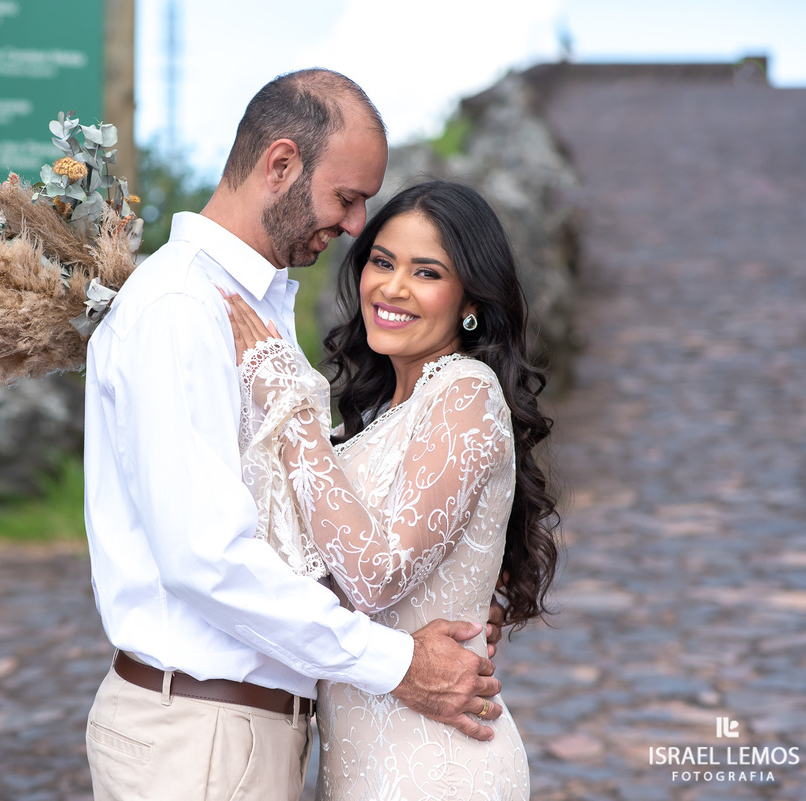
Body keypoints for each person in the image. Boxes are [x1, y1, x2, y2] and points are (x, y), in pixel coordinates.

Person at [83, 71, 506, 801]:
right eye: (347, 198)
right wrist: (396, 660)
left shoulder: (259, 311)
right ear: (281, 165)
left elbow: (299, 530)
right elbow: (206, 558)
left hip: (248, 733)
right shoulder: (183, 308)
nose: (354, 226)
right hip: (201, 738)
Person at [222, 179, 560, 799]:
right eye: (383, 261)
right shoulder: (378, 416)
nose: (393, 288)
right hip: (362, 762)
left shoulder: (466, 391)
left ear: (470, 301)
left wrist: (290, 413)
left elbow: (374, 576)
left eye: (426, 272)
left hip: (436, 765)